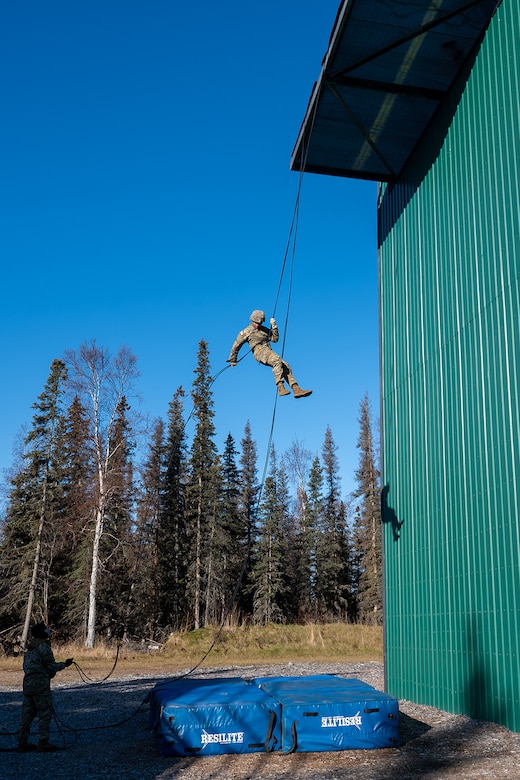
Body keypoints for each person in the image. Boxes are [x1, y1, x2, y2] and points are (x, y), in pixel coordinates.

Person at [228, 310, 312, 398]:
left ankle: (296, 389)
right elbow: (236, 346)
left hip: (268, 350)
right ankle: (281, 387)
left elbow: (275, 339)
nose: (258, 325)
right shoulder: (246, 331)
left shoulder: (264, 330)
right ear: (252, 320)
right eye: (256, 323)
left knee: (285, 365)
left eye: (260, 323)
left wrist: (274, 327)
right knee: (276, 360)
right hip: (259, 351)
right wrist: (233, 359)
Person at [18, 622, 73, 752]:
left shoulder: (30, 648)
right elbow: (50, 666)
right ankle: (43, 742)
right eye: (46, 629)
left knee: (27, 714)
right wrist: (64, 664)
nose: (49, 630)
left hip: (28, 684)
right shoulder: (44, 647)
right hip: (40, 684)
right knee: (45, 713)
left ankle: (22, 742)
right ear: (42, 633)